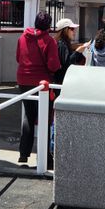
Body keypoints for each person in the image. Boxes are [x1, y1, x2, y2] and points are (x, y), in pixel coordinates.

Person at [16, 11, 61, 165]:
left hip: (23, 80)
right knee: (45, 119)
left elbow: (18, 58)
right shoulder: (49, 41)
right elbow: (53, 66)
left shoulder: (22, 37)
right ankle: (45, 156)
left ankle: (24, 153)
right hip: (42, 84)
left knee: (28, 116)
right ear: (49, 25)